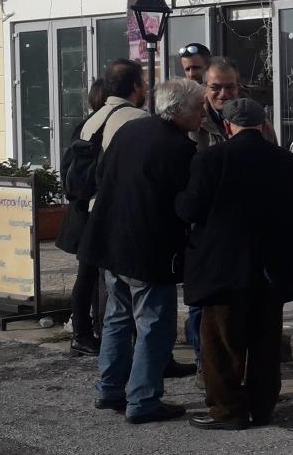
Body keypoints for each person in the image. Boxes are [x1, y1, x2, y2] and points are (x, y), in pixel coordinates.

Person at [176, 98, 293, 430]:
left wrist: (178, 200)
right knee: (266, 343)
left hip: (223, 268)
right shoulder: (290, 163)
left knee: (221, 344)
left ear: (227, 126)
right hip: (272, 268)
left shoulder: (210, 160)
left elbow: (190, 209)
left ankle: (228, 411)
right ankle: (262, 407)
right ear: (264, 125)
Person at [77, 78, 206, 424]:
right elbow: (184, 204)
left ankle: (109, 389)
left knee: (117, 318)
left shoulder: (131, 131)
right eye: (198, 108)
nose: (203, 114)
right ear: (177, 110)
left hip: (110, 240)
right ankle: (143, 400)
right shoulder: (178, 148)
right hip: (147, 248)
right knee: (154, 325)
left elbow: (103, 173)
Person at [57, 65, 147, 356]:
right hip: (106, 212)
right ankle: (95, 335)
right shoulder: (135, 119)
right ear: (135, 85)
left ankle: (88, 334)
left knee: (91, 276)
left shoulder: (91, 122)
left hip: (86, 208)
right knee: (108, 281)